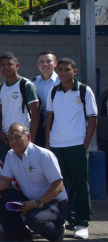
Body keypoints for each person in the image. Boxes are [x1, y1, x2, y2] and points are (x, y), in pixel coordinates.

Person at [45, 58, 97, 240]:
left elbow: (93, 119)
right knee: (59, 187)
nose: (63, 73)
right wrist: (48, 143)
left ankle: (82, 223)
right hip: (57, 146)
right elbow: (49, 119)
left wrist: (85, 145)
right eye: (59, 70)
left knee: (82, 185)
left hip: (76, 145)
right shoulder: (53, 91)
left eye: (67, 70)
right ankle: (59, 221)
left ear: (74, 71)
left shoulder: (84, 90)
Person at [0, 123, 68, 242]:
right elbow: (5, 179)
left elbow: (58, 186)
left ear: (28, 137)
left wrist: (36, 204)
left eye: (17, 137)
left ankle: (57, 233)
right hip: (30, 199)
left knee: (34, 220)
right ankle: (19, 235)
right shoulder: (10, 155)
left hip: (55, 202)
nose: (13, 141)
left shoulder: (43, 155)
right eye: (10, 138)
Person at [0, 52, 40, 160]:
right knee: (0, 167)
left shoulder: (26, 85)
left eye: (9, 64)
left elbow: (36, 113)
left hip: (21, 136)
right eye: (3, 65)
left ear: (17, 66)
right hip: (5, 137)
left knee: (24, 168)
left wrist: (30, 138)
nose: (5, 67)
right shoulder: (1, 88)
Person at [33, 50, 59, 147]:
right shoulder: (33, 83)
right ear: (37, 65)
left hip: (56, 129)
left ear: (55, 63)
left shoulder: (61, 83)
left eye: (48, 61)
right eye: (41, 62)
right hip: (38, 129)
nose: (45, 64)